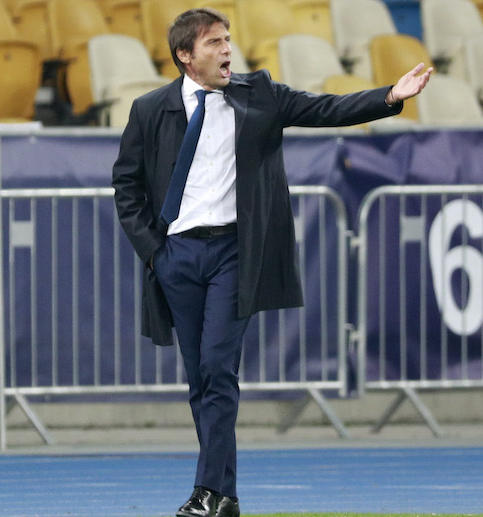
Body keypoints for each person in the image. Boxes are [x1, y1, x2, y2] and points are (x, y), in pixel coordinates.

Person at [112, 7, 432, 517]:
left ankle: (206, 491)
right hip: (177, 256)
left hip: (234, 254)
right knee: (201, 380)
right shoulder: (151, 109)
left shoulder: (258, 94)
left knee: (218, 367)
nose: (227, 50)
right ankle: (224, 497)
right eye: (214, 42)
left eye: (228, 39)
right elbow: (126, 184)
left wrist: (390, 96)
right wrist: (154, 251)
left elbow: (327, 109)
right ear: (185, 56)